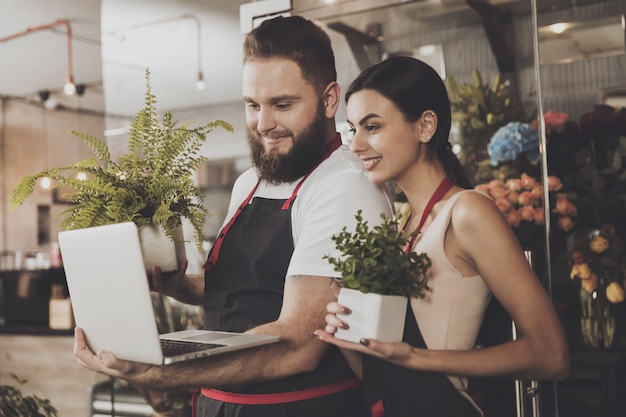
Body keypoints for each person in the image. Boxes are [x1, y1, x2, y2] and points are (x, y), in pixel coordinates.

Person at [73, 15, 392, 417]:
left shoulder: (345, 186)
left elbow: (298, 345)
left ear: (330, 100)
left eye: (282, 104)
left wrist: (156, 371)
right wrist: (183, 288)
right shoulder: (250, 182)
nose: (264, 124)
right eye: (252, 105)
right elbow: (254, 292)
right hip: (218, 404)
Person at [313, 56, 570, 417]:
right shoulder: (400, 226)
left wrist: (417, 356)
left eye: (372, 127)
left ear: (425, 126)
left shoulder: (467, 213)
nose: (355, 146)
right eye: (353, 129)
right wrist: (347, 334)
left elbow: (551, 355)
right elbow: (386, 377)